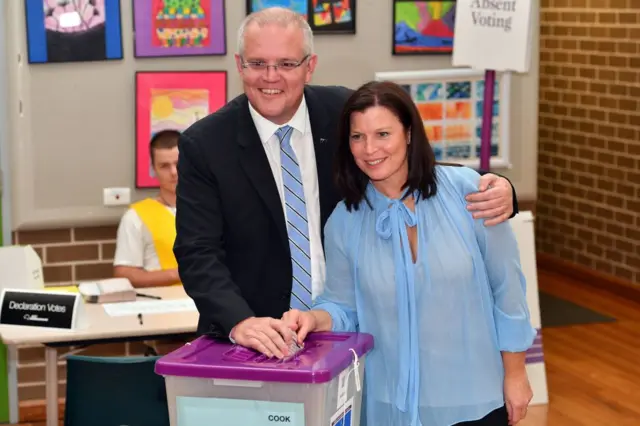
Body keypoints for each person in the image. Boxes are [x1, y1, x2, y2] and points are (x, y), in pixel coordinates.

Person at [173, 7, 519, 359]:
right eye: (257, 63)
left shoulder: (343, 112)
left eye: (287, 64)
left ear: (310, 66)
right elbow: (197, 251)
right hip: (257, 341)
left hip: (357, 332)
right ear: (239, 64)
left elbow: (407, 160)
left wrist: (501, 189)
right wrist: (240, 321)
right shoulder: (205, 145)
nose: (271, 77)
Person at [282, 80, 535, 426]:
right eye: (358, 137)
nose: (370, 149)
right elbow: (342, 307)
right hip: (387, 405)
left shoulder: (471, 193)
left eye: (383, 134)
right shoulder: (344, 220)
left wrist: (516, 373)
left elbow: (508, 290)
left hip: (474, 397)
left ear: (409, 134)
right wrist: (312, 319)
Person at [114, 129, 181, 288]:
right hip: (163, 304)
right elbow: (124, 274)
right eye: (164, 166)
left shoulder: (214, 208)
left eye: (179, 164)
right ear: (154, 169)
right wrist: (179, 274)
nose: (173, 172)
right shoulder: (136, 216)